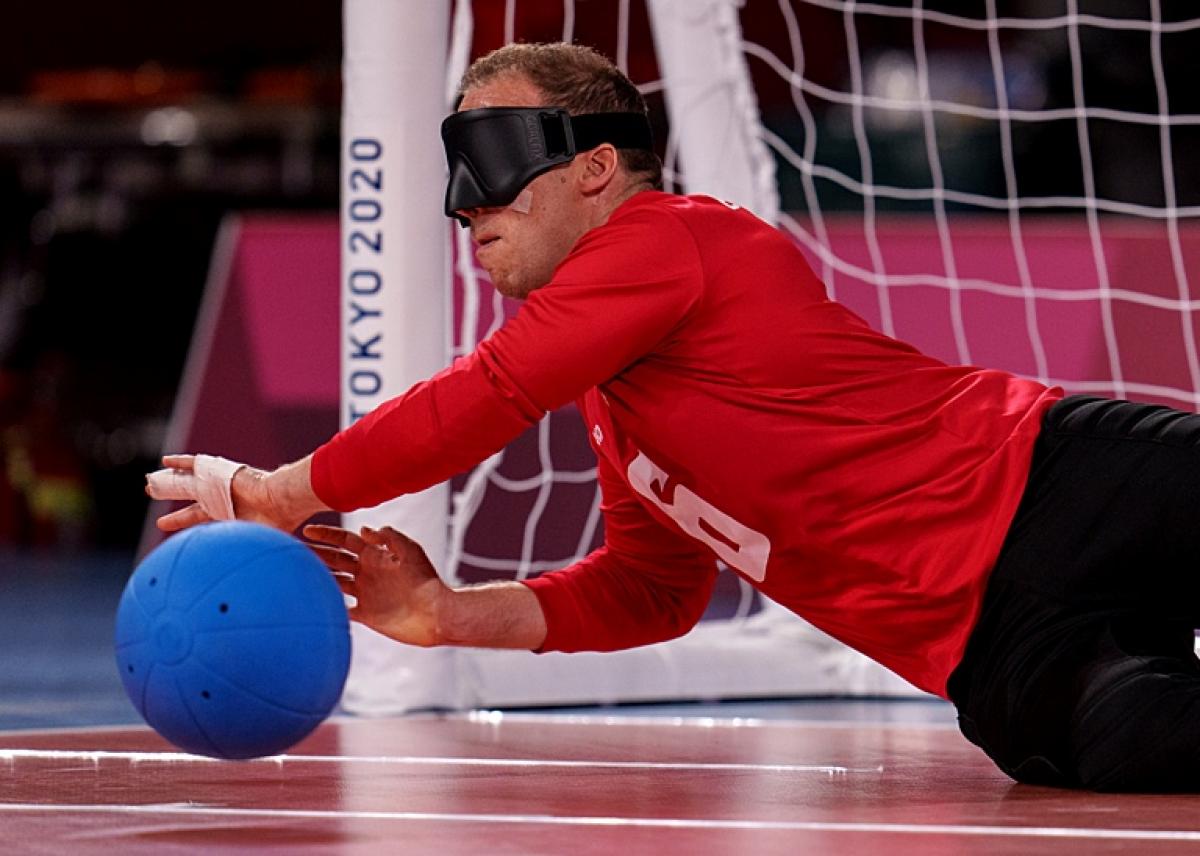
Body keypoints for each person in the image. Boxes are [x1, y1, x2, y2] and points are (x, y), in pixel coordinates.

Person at [148, 43, 1200, 793]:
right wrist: (444, 615)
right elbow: (654, 591)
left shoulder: (672, 238)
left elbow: (485, 396)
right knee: (1144, 748)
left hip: (1055, 486)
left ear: (597, 168)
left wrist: (275, 495)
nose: (465, 206)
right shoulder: (622, 417)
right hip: (993, 650)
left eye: (494, 161)